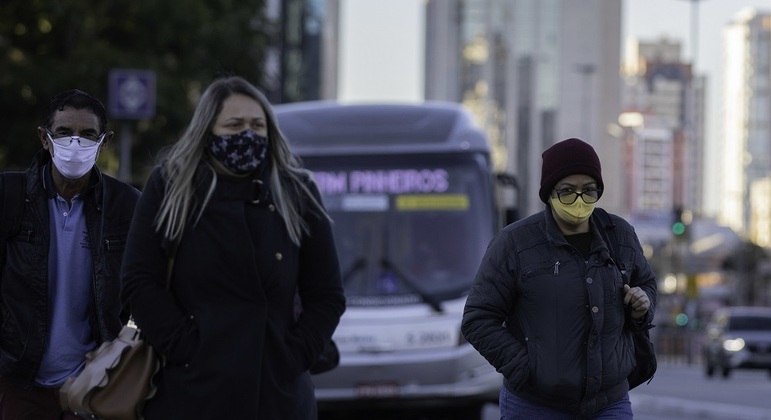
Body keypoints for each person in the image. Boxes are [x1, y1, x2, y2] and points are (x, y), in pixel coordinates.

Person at [121, 76, 346, 419]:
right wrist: (187, 348)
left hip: (278, 395)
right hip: (192, 392)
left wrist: (292, 355)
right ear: (208, 131)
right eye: (234, 125)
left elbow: (327, 294)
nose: (248, 135)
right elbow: (139, 280)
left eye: (258, 125)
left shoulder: (296, 191)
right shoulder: (171, 186)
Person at [461, 138, 657, 419]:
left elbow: (647, 285)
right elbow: (478, 318)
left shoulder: (620, 235)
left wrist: (643, 303)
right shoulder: (515, 243)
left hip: (608, 402)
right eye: (567, 191)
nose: (579, 200)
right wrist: (525, 368)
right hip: (535, 404)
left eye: (588, 190)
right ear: (550, 193)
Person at [0, 89, 140, 419]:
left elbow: (142, 292)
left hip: (96, 385)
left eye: (88, 134)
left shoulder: (126, 207)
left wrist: (118, 354)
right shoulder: (9, 197)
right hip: (20, 382)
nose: (75, 143)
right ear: (45, 139)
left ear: (104, 142)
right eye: (64, 132)